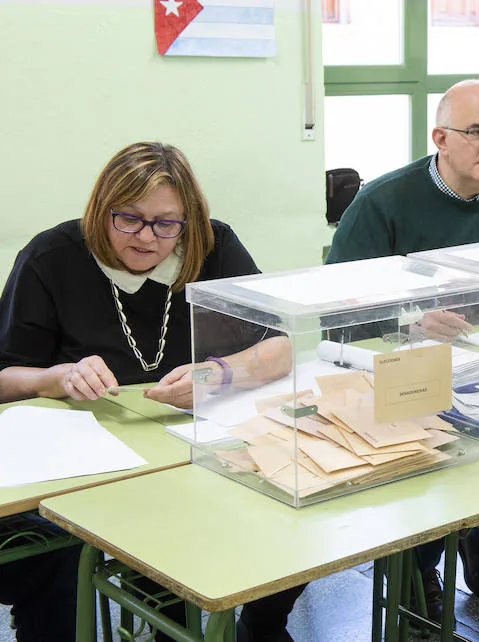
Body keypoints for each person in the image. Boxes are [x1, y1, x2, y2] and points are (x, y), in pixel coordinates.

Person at [0, 142, 295, 641]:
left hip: (186, 455)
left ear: (189, 220)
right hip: (79, 465)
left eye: (166, 223)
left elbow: (281, 348)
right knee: (56, 562)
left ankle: (251, 625)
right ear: (101, 210)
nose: (147, 237)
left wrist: (217, 374)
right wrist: (59, 377)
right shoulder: (53, 257)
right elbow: (7, 377)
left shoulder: (214, 246)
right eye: (129, 219)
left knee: (280, 512)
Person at [326, 79, 479, 620]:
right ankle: (420, 564)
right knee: (428, 463)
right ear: (439, 136)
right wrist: (410, 321)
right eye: (477, 132)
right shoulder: (382, 203)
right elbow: (335, 313)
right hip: (399, 378)